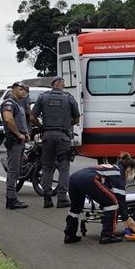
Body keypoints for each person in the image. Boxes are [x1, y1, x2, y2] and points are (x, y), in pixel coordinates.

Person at [63, 153, 135, 244]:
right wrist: (127, 222)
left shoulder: (112, 167)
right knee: (113, 203)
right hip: (90, 179)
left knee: (75, 208)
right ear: (129, 168)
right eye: (133, 171)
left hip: (74, 178)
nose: (132, 174)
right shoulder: (118, 174)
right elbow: (121, 201)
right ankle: (107, 235)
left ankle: (69, 235)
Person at [31, 76, 80, 209]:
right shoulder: (69, 98)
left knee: (47, 167)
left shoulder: (43, 97)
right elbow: (77, 118)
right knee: (64, 167)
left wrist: (41, 127)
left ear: (52, 85)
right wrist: (66, 125)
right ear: (62, 84)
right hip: (63, 136)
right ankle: (62, 199)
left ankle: (47, 199)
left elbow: (32, 116)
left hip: (46, 136)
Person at [0, 81, 30, 210]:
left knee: (16, 170)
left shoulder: (17, 104)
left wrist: (25, 134)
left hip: (19, 140)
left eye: (25, 90)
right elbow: (8, 118)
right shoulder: (9, 103)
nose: (23, 91)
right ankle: (11, 199)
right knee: (13, 171)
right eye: (20, 89)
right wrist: (18, 134)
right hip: (14, 141)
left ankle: (12, 198)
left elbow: (19, 121)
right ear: (13, 90)